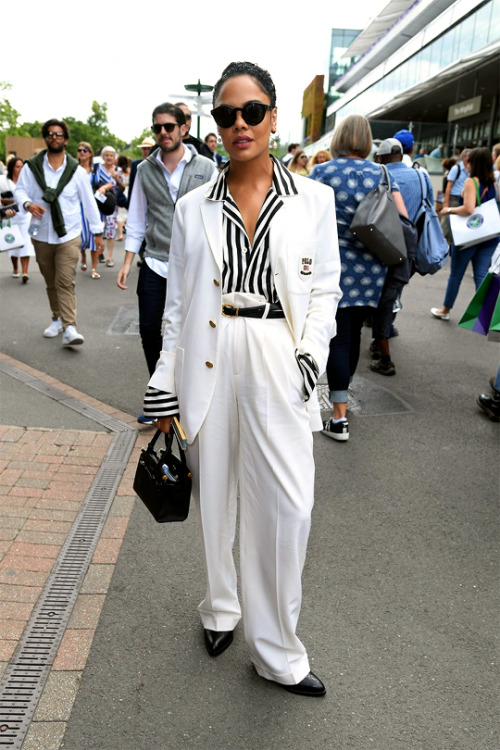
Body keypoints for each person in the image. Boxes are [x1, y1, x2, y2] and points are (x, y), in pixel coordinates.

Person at [143, 61, 341, 696]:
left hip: (279, 352)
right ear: (216, 126)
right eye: (226, 115)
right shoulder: (192, 203)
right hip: (208, 348)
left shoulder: (315, 199)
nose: (238, 125)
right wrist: (163, 380)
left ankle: (278, 650)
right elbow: (176, 303)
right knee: (215, 498)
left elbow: (326, 290)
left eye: (251, 111)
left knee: (288, 507)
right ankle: (220, 608)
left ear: (274, 117)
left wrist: (310, 354)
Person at [309, 114, 407, 441]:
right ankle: (342, 396)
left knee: (337, 337)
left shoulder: (322, 172)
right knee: (352, 336)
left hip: (332, 266)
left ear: (338, 138)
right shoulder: (381, 173)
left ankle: (338, 418)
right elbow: (397, 218)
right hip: (370, 267)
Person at [117, 103, 216, 424]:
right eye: (157, 127)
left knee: (192, 330)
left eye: (169, 127)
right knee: (148, 328)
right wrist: (127, 261)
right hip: (157, 261)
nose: (163, 132)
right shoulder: (144, 170)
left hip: (193, 265)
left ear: (183, 128)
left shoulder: (206, 166)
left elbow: (217, 214)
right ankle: (160, 395)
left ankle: (191, 394)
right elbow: (136, 218)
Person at [15, 118, 104, 345]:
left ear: (65, 139)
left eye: (58, 134)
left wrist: (97, 231)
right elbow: (20, 191)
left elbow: (89, 202)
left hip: (69, 235)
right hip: (41, 233)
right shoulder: (31, 166)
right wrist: (27, 204)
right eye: (50, 134)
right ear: (46, 138)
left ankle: (70, 327)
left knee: (65, 281)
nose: (54, 137)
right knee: (51, 281)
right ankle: (56, 318)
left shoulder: (76, 171)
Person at [369, 138, 433, 375]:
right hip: (410, 246)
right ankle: (384, 334)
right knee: (393, 294)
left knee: (382, 298)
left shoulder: (380, 176)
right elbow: (427, 210)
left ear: (382, 157)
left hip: (383, 245)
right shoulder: (421, 176)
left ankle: (382, 344)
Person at [431, 147, 498, 320]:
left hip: (469, 237)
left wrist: (449, 209)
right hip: (488, 236)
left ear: (475, 163)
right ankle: (485, 314)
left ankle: (445, 310)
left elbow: (469, 208)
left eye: (470, 160)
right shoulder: (493, 182)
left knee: (456, 274)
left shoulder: (471, 182)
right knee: (481, 274)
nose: (466, 163)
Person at [0, 157, 35, 282]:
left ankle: (25, 271)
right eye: (17, 167)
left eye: (21, 166)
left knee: (25, 242)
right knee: (13, 243)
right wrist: (5, 201)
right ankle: (16, 268)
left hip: (25, 216)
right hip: (10, 215)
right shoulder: (4, 181)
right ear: (11, 168)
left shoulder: (27, 181)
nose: (20, 169)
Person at [94, 145, 124, 267]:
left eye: (111, 155)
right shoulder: (97, 169)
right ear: (103, 156)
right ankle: (99, 252)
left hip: (111, 203)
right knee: (99, 228)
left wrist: (116, 177)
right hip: (98, 202)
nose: (109, 157)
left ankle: (110, 256)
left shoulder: (118, 170)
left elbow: (122, 188)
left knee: (111, 229)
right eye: (106, 155)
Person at [76, 141, 101, 279]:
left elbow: (109, 181)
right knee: (81, 236)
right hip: (79, 207)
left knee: (94, 237)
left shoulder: (97, 169)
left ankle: (94, 268)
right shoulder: (74, 169)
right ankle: (83, 256)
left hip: (94, 206)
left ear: (90, 153)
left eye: (85, 150)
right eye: (79, 150)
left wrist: (104, 188)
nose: (81, 152)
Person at [116, 155, 131, 240]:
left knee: (120, 213)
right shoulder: (130, 170)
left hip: (122, 191)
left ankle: (120, 234)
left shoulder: (119, 172)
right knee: (128, 211)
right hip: (129, 191)